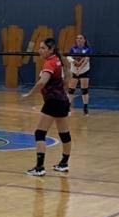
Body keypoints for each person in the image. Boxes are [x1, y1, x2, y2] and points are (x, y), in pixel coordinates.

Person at [23, 37, 72, 177]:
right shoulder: (59, 59)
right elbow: (68, 78)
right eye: (40, 47)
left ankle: (39, 167)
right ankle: (64, 163)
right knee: (64, 133)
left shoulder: (50, 63)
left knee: (39, 133)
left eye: (43, 48)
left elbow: (41, 82)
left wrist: (30, 94)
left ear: (50, 50)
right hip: (62, 101)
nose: (40, 50)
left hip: (53, 102)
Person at [67, 33, 93, 114]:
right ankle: (68, 106)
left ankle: (85, 107)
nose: (78, 39)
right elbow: (68, 57)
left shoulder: (88, 49)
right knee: (71, 90)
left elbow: (86, 60)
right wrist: (73, 61)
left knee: (84, 90)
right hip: (74, 71)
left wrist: (80, 69)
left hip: (84, 71)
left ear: (84, 40)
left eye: (81, 38)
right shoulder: (73, 48)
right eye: (77, 38)